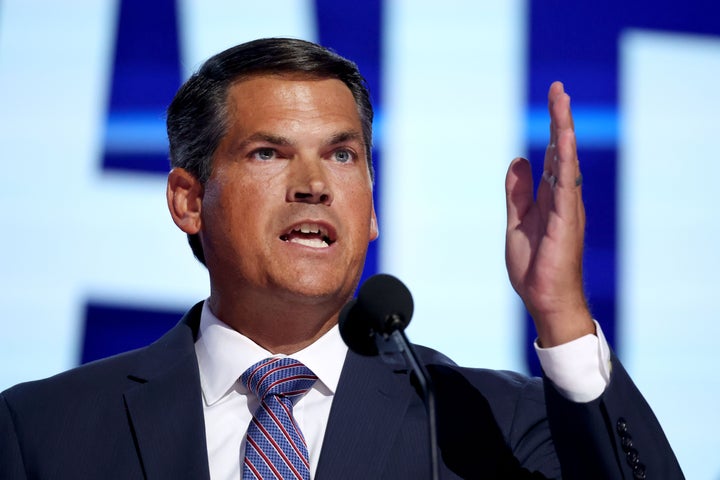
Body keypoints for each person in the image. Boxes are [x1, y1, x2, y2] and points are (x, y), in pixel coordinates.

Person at [0, 38, 683, 479]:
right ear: (187, 201)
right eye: (268, 153)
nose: (315, 184)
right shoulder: (42, 434)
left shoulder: (486, 423)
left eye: (343, 155)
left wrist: (562, 314)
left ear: (372, 205)